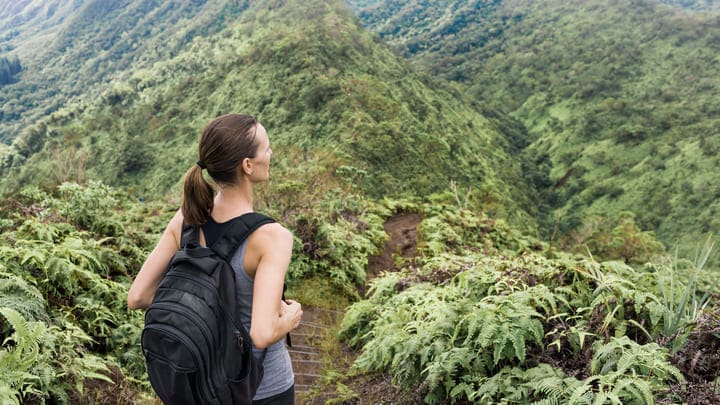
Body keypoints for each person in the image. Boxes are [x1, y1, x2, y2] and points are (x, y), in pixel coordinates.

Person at [127, 113, 303, 404]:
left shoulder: (186, 218)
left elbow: (138, 296)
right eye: (267, 148)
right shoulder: (272, 237)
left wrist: (204, 306)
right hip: (261, 389)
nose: (271, 154)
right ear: (247, 165)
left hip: (204, 387)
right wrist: (291, 318)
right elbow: (262, 333)